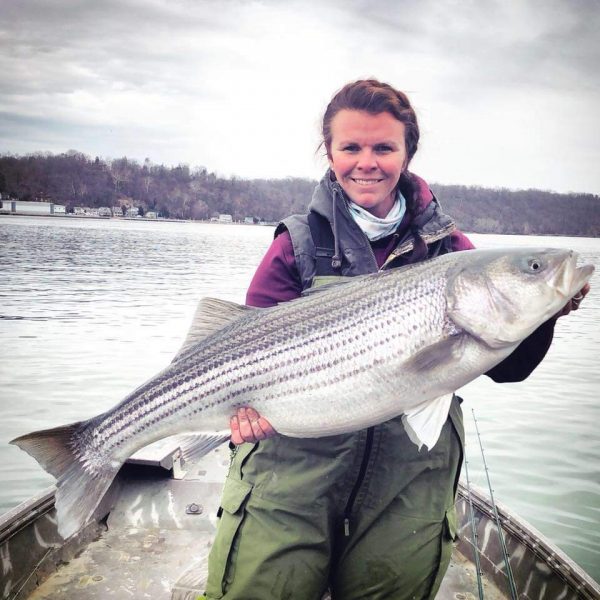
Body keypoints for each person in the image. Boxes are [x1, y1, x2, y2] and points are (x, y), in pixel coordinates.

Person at [203, 79, 590, 600]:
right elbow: (244, 349)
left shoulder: (451, 250)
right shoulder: (296, 245)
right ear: (330, 152)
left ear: (407, 152)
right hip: (289, 474)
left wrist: (545, 313)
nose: (368, 162)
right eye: (351, 147)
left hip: (407, 483)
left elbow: (506, 367)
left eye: (384, 147)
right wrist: (243, 416)